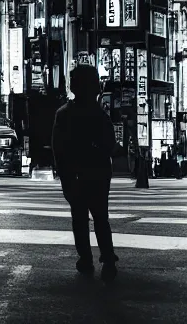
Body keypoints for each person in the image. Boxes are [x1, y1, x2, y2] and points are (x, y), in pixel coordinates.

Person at [51, 64, 120, 282]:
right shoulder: (99, 115)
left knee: (79, 218)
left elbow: (58, 149)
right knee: (100, 216)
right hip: (98, 172)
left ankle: (86, 258)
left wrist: (64, 175)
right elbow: (111, 145)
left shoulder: (64, 114)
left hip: (75, 174)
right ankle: (108, 259)